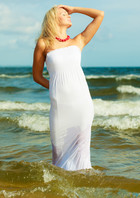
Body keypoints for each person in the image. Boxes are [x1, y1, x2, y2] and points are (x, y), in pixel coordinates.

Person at [32, 5, 104, 171]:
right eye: (64, 14)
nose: (69, 16)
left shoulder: (78, 41)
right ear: (54, 19)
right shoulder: (44, 44)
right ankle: (59, 192)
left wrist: (74, 9)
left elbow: (99, 15)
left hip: (82, 104)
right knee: (59, 153)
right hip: (60, 106)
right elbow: (37, 76)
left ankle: (81, 185)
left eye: (68, 13)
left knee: (82, 152)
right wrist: (55, 88)